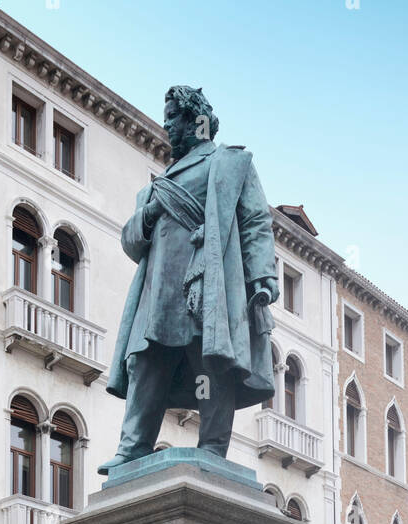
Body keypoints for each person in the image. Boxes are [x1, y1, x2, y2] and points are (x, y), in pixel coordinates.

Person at [102, 84, 279, 474]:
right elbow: (132, 244)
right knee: (145, 362)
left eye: (172, 119)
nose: (167, 128)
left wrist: (263, 276)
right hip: (159, 289)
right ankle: (133, 446)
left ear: (195, 121)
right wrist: (148, 213)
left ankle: (213, 447)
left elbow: (254, 223)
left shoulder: (230, 164)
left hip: (208, 281)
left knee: (211, 361)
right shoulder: (155, 187)